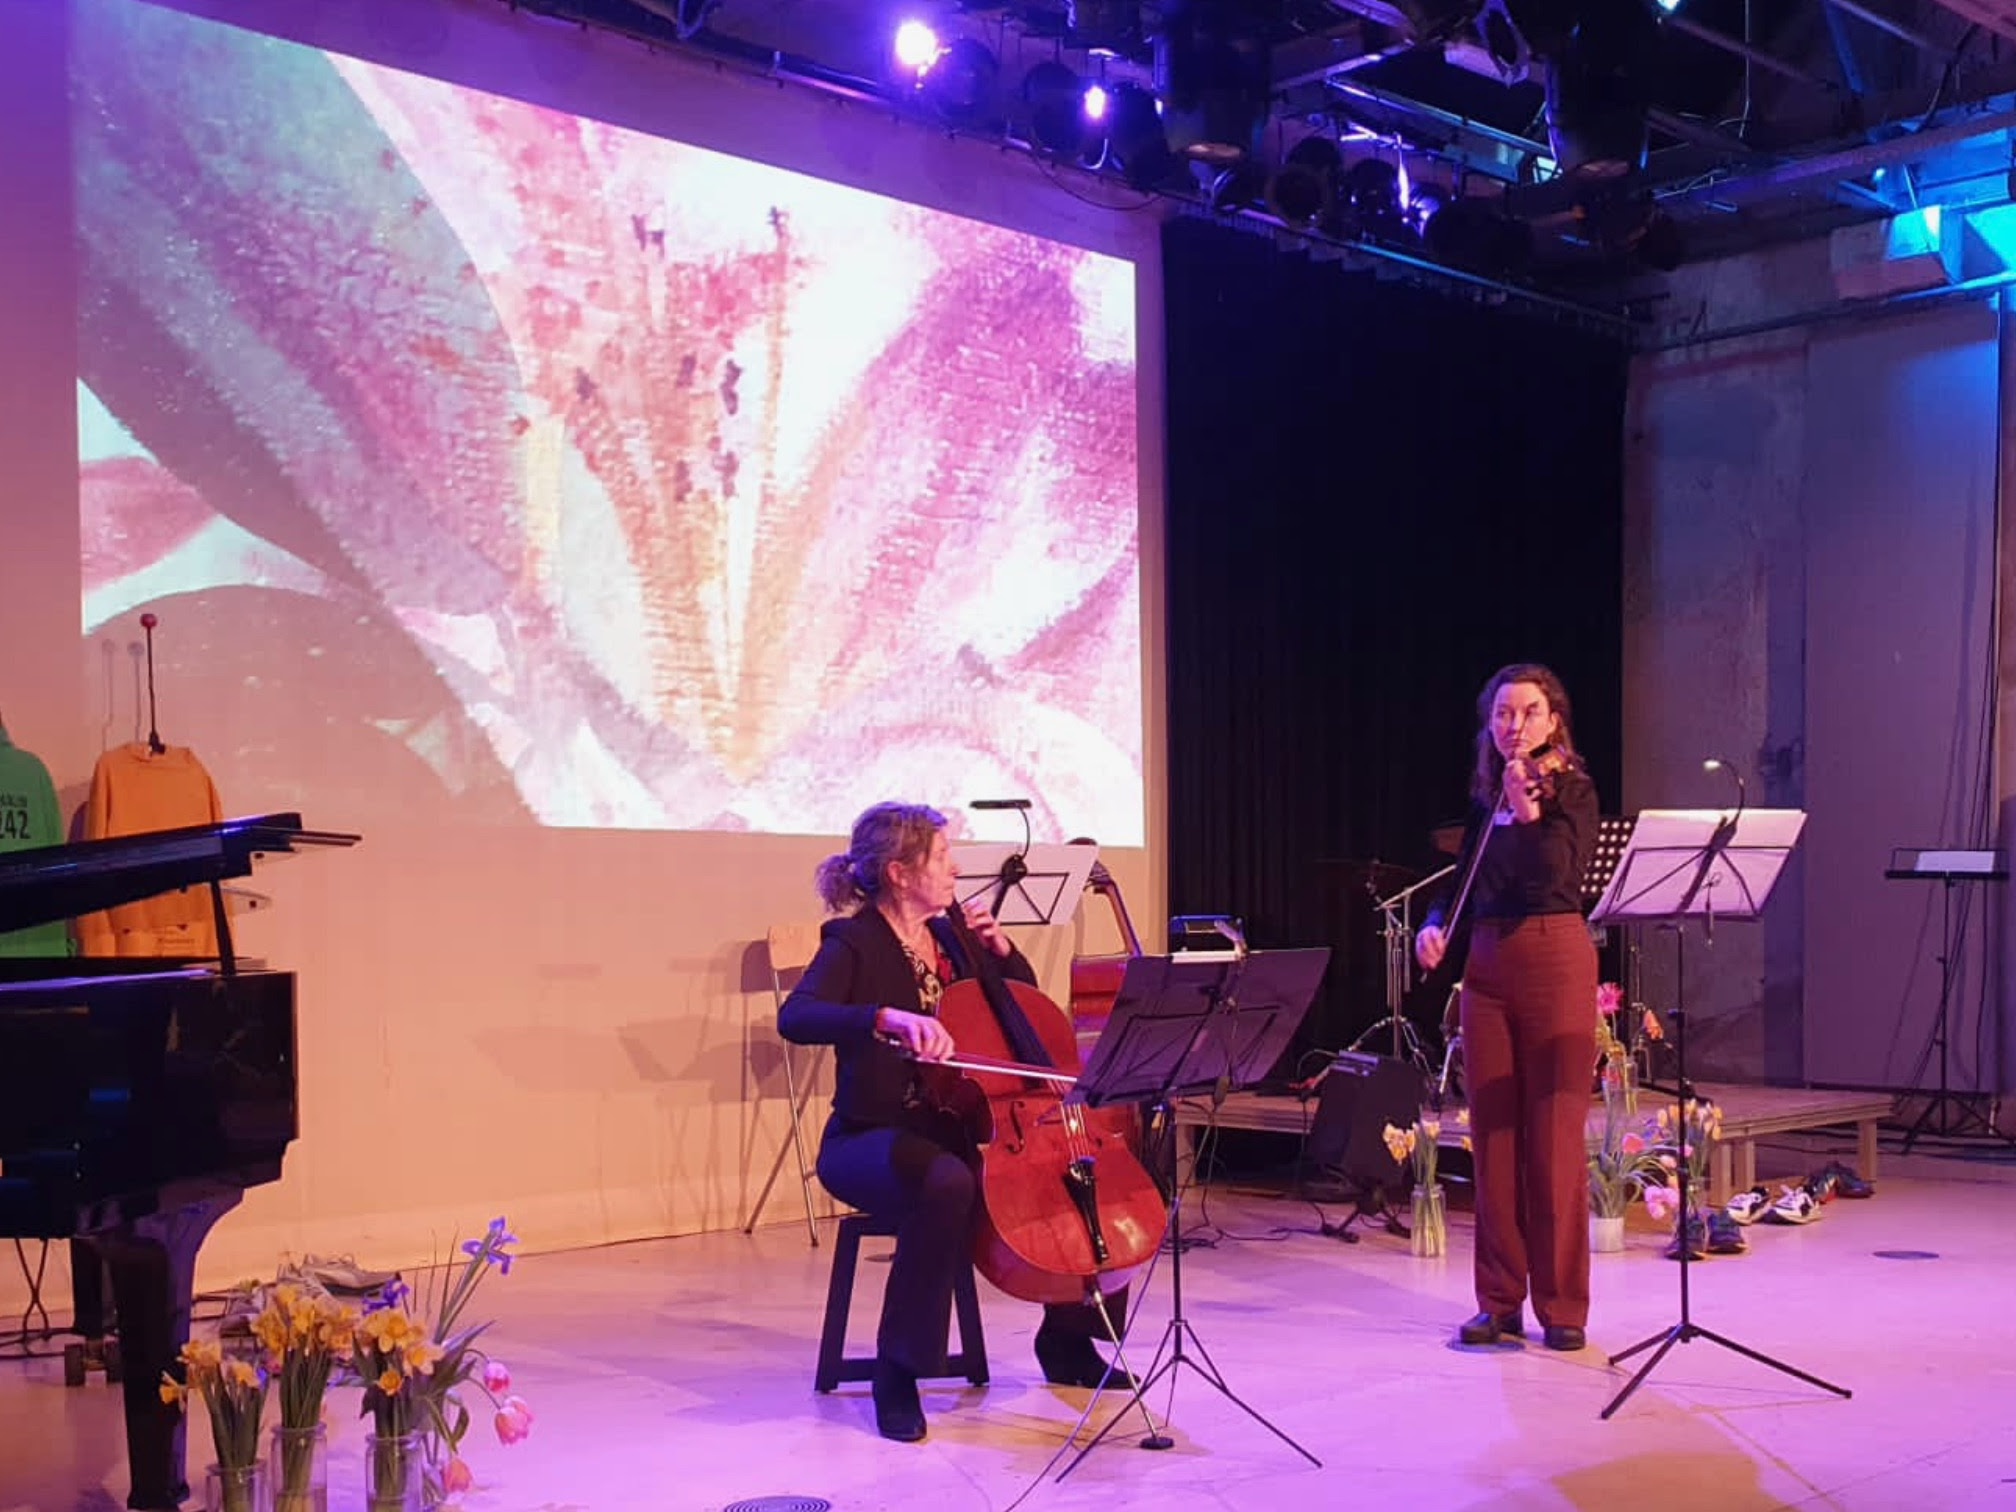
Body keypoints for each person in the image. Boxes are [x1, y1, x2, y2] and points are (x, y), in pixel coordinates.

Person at [779, 801, 1130, 1442]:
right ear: (899, 872)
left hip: (961, 1125)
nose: (956, 867)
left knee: (1085, 1173)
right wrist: (883, 1018)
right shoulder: (854, 941)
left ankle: (1070, 1340)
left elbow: (1018, 1008)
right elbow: (797, 1017)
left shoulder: (951, 936)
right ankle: (897, 1373)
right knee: (946, 1184)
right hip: (870, 1135)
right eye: (942, 857)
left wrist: (1001, 951)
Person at [1414, 664, 1599, 1353]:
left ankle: (1562, 1305)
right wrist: (1436, 925)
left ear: (1553, 721)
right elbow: (1460, 884)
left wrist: (1529, 814)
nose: (1512, 725)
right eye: (1501, 714)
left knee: (1553, 1139)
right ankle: (1499, 1301)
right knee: (1492, 1139)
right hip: (1487, 967)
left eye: (1526, 712)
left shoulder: (1571, 792)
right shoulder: (1485, 797)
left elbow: (1557, 876)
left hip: (1553, 955)